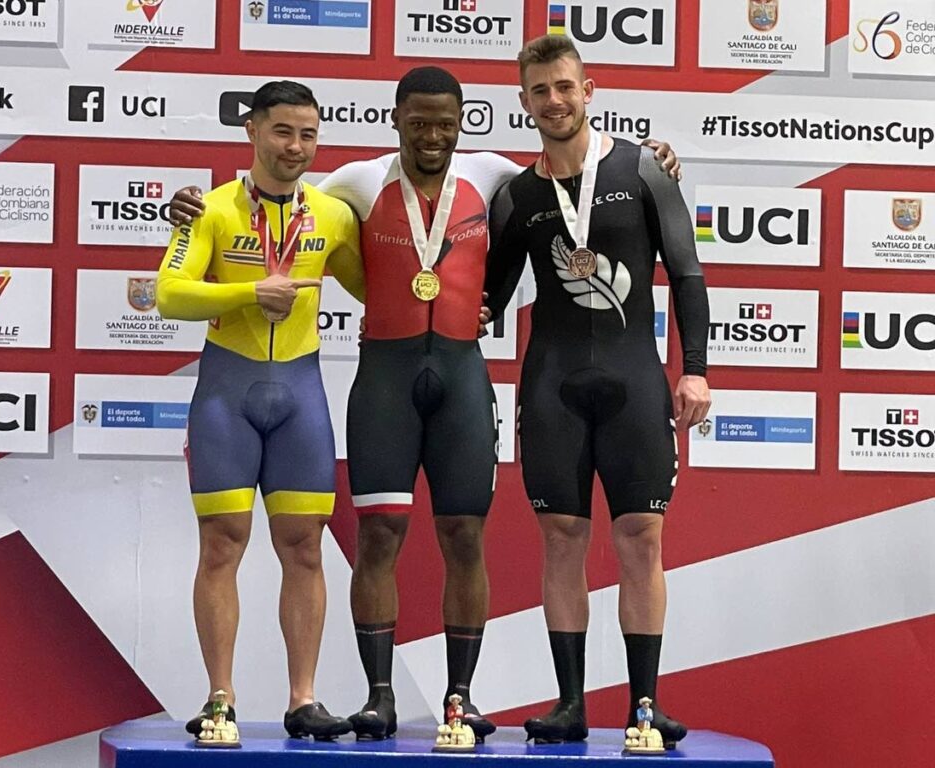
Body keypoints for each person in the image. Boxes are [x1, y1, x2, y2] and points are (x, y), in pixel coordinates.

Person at [169, 67, 681, 742]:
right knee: (374, 536)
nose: (432, 135)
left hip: (463, 378)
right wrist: (192, 206)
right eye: (418, 123)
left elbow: (568, 166)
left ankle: (459, 697)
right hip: (384, 378)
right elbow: (281, 209)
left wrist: (654, 159)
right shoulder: (352, 183)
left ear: (463, 123)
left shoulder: (496, 172)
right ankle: (373, 696)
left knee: (464, 536)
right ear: (396, 121)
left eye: (445, 123)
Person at [484, 35, 711, 746]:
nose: (554, 100)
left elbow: (689, 271)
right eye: (540, 91)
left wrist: (696, 368)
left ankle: (644, 705)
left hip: (634, 380)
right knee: (561, 539)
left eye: (565, 86)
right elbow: (487, 296)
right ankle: (570, 703)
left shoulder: (643, 169)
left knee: (642, 538)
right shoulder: (517, 195)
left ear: (590, 90)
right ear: (524, 104)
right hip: (551, 384)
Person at [156, 80, 365, 740]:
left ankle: (303, 698)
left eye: (308, 134)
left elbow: (382, 285)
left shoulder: (331, 215)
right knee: (222, 545)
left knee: (305, 548)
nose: (295, 146)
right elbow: (168, 295)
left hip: (300, 393)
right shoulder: (210, 210)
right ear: (252, 132)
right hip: (227, 394)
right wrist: (251, 292)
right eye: (282, 132)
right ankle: (220, 697)